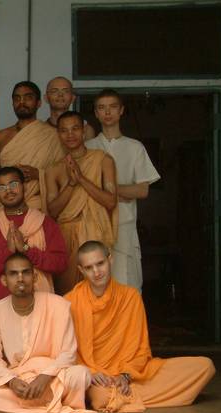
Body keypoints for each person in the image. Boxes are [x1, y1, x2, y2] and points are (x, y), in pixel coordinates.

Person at [66, 241, 215, 413]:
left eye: (100, 263)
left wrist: (125, 375)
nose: (97, 272)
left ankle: (121, 395)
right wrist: (89, 372)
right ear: (81, 270)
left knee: (204, 366)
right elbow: (68, 352)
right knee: (101, 397)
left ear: (110, 260)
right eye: (89, 267)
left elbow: (140, 349)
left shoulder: (130, 297)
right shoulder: (70, 302)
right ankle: (119, 395)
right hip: (98, 380)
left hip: (133, 373)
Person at [0, 253, 94, 413]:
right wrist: (12, 382)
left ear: (34, 277)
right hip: (19, 380)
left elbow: (68, 353)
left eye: (25, 272)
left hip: (52, 378)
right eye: (13, 274)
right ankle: (50, 404)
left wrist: (44, 377)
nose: (20, 278)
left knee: (81, 375)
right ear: (4, 280)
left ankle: (29, 405)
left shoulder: (59, 305)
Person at [86, 89, 160, 291]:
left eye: (112, 107)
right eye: (102, 108)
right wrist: (122, 192)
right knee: (96, 289)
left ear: (121, 111)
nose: (107, 112)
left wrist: (107, 192)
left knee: (127, 287)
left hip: (125, 227)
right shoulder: (88, 147)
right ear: (96, 113)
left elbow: (142, 190)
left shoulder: (135, 147)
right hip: (94, 226)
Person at [47, 111, 118, 295]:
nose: (70, 134)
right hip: (66, 235)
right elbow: (52, 211)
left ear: (84, 131)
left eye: (75, 129)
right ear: (58, 134)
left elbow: (110, 201)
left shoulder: (102, 160)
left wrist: (81, 179)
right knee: (68, 294)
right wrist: (71, 184)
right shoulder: (53, 169)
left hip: (95, 232)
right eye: (64, 130)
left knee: (99, 292)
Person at [0, 166, 67, 302]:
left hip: (42, 301)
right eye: (1, 187)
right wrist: (8, 252)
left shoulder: (45, 223)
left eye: (13, 184)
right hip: (2, 304)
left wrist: (27, 250)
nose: (8, 191)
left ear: (24, 187)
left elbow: (61, 264)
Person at [0, 81, 64, 212]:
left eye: (28, 97)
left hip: (38, 206)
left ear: (39, 103)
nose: (22, 102)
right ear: (12, 103)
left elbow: (63, 176)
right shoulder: (0, 137)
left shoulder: (53, 136)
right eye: (17, 98)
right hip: (6, 207)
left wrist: (39, 174)